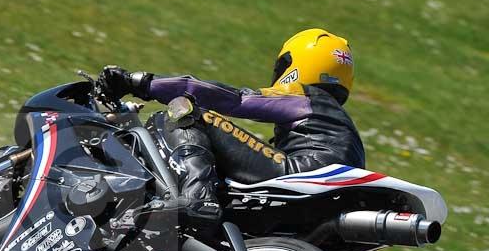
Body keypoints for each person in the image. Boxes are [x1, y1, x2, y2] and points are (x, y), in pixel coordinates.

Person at [98, 28, 365, 220]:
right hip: (327, 200)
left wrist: (141, 82)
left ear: (294, 64)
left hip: (301, 173)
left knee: (187, 110)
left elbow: (235, 100)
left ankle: (197, 194)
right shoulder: (341, 126)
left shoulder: (304, 95)